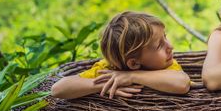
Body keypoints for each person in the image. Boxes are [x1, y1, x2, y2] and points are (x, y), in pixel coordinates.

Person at [51, 11, 190, 99]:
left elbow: (182, 83)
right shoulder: (109, 70)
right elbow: (58, 89)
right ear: (134, 63)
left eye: (165, 37)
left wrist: (130, 76)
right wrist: (103, 85)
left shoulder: (166, 68)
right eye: (160, 45)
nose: (170, 46)